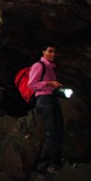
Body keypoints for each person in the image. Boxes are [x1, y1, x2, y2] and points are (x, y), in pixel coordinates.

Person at [28, 43, 64, 174]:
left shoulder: (51, 68)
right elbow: (31, 84)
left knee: (59, 132)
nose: (53, 54)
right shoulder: (39, 65)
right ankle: (43, 166)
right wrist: (49, 83)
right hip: (43, 100)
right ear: (43, 52)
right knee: (52, 134)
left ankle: (55, 163)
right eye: (50, 51)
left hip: (51, 99)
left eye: (54, 52)